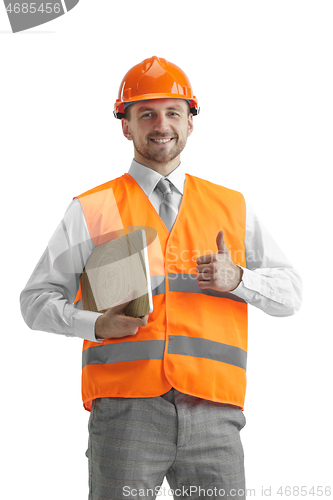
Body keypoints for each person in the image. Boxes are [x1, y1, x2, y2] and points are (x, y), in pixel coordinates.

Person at [20, 56, 302, 500]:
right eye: (145, 113)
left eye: (173, 112)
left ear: (191, 122)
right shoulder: (91, 208)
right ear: (125, 126)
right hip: (125, 409)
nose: (161, 124)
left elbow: (291, 295)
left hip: (215, 410)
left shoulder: (232, 206)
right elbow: (35, 301)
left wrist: (240, 278)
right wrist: (95, 324)